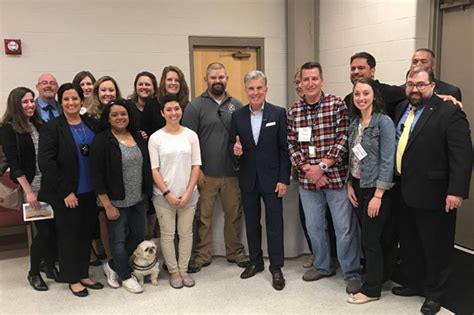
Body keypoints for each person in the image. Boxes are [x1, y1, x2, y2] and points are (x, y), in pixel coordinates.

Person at [391, 68, 471, 315]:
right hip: (405, 190)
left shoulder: (449, 112)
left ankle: (435, 293)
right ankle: (414, 282)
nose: (415, 89)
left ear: (433, 86)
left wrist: (456, 191)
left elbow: (463, 155)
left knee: (436, 246)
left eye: (420, 85)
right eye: (410, 84)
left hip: (436, 193)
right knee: (411, 242)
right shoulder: (401, 107)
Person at [287, 62, 361, 294]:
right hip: (308, 183)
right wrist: (309, 170)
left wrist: (322, 166)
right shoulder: (294, 111)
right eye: (305, 79)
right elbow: (291, 144)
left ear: (322, 80)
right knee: (315, 228)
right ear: (300, 83)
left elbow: (343, 139)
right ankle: (322, 266)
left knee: (344, 229)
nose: (310, 83)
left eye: (314, 78)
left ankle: (352, 272)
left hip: (336, 180)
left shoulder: (337, 104)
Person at [182, 62, 249, 273]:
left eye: (221, 77)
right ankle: (202, 255)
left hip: (232, 174)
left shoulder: (237, 105)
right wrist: (197, 170)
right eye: (213, 77)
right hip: (205, 175)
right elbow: (188, 141)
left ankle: (235, 252)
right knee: (203, 217)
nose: (217, 81)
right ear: (206, 80)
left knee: (234, 215)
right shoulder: (195, 107)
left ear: (227, 78)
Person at [38, 83, 103, 297]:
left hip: (89, 191)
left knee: (85, 233)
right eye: (66, 99)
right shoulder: (52, 128)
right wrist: (66, 191)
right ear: (60, 102)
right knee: (68, 235)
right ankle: (72, 277)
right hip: (67, 193)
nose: (71, 102)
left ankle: (83, 272)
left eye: (74, 98)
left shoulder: (92, 124)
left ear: (81, 100)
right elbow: (47, 163)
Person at [230, 70, 290, 290]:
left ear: (265, 89)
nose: (255, 92)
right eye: (251, 88)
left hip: (273, 180)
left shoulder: (278, 114)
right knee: (252, 224)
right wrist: (235, 150)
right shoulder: (237, 116)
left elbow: (285, 150)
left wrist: (284, 179)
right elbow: (232, 146)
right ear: (246, 90)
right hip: (248, 180)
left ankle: (276, 268)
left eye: (259, 88)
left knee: (275, 224)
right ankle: (255, 261)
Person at [90, 99, 152, 293]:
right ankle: (125, 275)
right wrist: (107, 205)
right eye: (115, 115)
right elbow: (97, 175)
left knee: (139, 234)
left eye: (123, 114)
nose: (119, 117)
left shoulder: (137, 136)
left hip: (138, 198)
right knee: (117, 240)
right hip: (115, 201)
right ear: (108, 119)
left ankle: (113, 266)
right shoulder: (101, 140)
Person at [0, 87, 58, 291]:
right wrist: (29, 191)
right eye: (25, 102)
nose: (30, 105)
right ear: (16, 105)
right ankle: (34, 272)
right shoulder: (8, 129)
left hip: (50, 185)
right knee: (42, 233)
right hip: (31, 187)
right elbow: (14, 165)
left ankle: (50, 266)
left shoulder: (38, 125)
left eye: (31, 101)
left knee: (52, 230)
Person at [345, 78, 396, 304]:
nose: (361, 98)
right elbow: (352, 157)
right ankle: (380, 276)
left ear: (374, 95)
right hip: (357, 185)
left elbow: (387, 160)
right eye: (357, 94)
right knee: (371, 237)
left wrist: (378, 194)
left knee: (370, 240)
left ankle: (372, 289)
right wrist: (349, 184)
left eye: (366, 93)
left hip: (376, 189)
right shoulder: (354, 123)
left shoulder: (383, 122)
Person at [148, 94, 201, 288]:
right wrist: (167, 193)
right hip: (164, 196)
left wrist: (188, 192)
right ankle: (173, 271)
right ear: (163, 113)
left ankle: (184, 269)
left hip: (189, 193)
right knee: (168, 234)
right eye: (169, 109)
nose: (173, 113)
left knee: (186, 233)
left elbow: (196, 165)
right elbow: (154, 169)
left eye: (177, 109)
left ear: (182, 111)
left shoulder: (191, 135)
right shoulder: (156, 138)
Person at [344, 52, 405, 120]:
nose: (356, 72)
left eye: (361, 68)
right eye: (353, 69)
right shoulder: (348, 99)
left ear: (372, 71)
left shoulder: (390, 92)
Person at [141, 66, 190, 137]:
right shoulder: (151, 104)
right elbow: (145, 133)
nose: (173, 83)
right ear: (164, 82)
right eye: (169, 79)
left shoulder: (187, 106)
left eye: (177, 80)